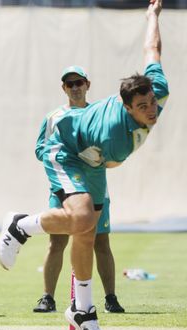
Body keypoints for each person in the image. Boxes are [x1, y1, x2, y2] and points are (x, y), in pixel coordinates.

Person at [0, 1, 167, 330]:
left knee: (87, 234)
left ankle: (83, 311)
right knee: (83, 218)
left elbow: (153, 49)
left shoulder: (157, 89)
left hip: (88, 159)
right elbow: (110, 161)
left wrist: (152, 17)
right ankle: (20, 225)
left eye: (152, 103)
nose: (151, 111)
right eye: (142, 107)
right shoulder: (113, 136)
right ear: (127, 107)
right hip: (65, 150)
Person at [33, 66, 124, 313]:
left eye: (79, 83)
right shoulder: (54, 117)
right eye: (70, 84)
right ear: (64, 88)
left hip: (95, 187)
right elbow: (41, 150)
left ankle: (111, 298)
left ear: (87, 84)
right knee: (56, 243)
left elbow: (111, 147)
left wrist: (97, 157)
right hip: (64, 188)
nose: (75, 88)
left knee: (101, 242)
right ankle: (47, 298)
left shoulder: (98, 114)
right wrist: (68, 157)